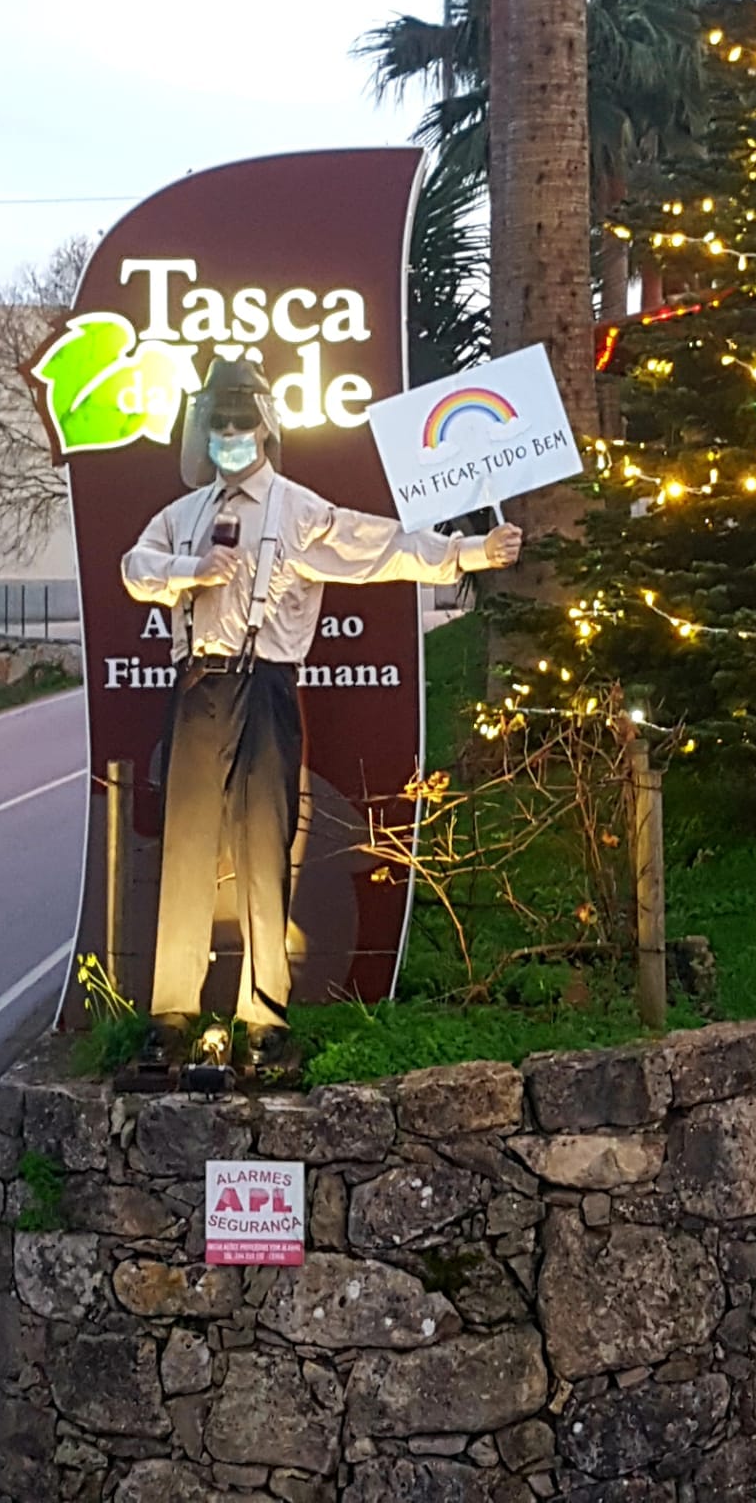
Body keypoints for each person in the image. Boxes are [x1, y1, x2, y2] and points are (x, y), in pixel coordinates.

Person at [121, 357, 521, 1056]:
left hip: (265, 686)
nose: (230, 435)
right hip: (194, 688)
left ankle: (264, 1015)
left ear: (265, 428)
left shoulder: (296, 510)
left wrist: (468, 552)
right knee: (185, 848)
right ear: (203, 430)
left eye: (241, 422)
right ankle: (171, 1013)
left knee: (264, 849)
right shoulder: (183, 517)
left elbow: (381, 546)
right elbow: (134, 567)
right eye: (219, 424)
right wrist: (188, 572)